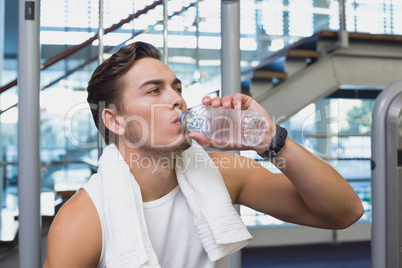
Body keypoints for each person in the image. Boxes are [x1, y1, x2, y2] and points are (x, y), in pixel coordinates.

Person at [44, 41, 363, 268]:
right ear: (115, 120)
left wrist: (269, 141)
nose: (177, 100)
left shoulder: (223, 172)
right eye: (155, 90)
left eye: (177, 88)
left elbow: (344, 213)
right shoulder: (83, 218)